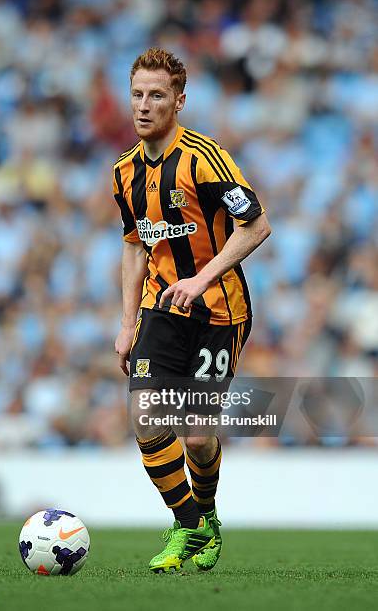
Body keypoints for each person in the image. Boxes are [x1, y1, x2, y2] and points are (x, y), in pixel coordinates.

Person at [113, 48, 271, 573]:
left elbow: (257, 225)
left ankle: (208, 519)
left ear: (179, 101)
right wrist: (125, 321)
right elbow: (136, 245)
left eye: (156, 95)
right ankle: (189, 525)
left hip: (219, 311)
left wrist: (202, 278)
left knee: (198, 435)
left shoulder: (205, 157)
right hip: (160, 308)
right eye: (137, 94)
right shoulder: (124, 173)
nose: (143, 105)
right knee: (146, 418)